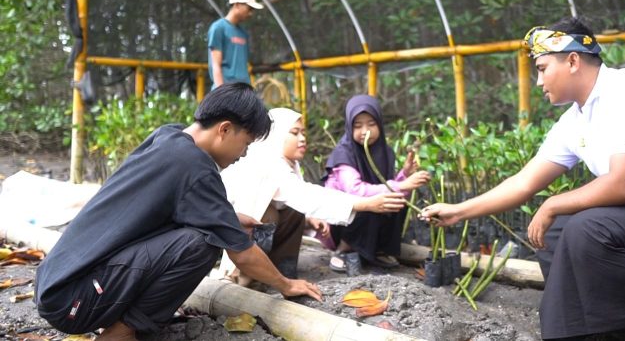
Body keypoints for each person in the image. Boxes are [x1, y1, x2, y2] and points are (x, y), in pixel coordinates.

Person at [420, 18, 625, 341]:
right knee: (555, 233)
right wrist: (458, 211)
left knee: (586, 228)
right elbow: (524, 182)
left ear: (573, 61)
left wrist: (553, 203)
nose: (539, 82)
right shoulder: (573, 121)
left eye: (543, 68)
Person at [34, 83, 321, 341]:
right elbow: (242, 253)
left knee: (205, 233)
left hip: (56, 286)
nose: (243, 153)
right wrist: (286, 284)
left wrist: (228, 217)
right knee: (203, 244)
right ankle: (122, 332)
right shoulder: (195, 168)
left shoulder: (168, 137)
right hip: (75, 302)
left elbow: (160, 206)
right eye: (245, 143)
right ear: (224, 129)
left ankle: (124, 321)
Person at [216, 107, 407, 283]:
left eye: (303, 133)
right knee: (268, 216)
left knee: (294, 212)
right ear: (276, 135)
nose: (302, 139)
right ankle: (245, 277)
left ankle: (281, 271)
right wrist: (365, 204)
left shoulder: (288, 163)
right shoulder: (266, 162)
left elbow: (296, 196)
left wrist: (309, 219)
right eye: (294, 133)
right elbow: (303, 194)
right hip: (224, 235)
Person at [324, 95, 431, 272]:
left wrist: (405, 175)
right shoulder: (343, 154)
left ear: (380, 124)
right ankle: (343, 249)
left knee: (396, 202)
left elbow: (388, 187)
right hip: (341, 221)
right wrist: (402, 185)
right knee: (368, 203)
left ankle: (379, 249)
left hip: (370, 212)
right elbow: (356, 191)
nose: (365, 131)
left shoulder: (385, 152)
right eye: (358, 126)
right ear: (349, 127)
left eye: (371, 124)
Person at [208, 0, 263, 89]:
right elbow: (216, 65)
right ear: (237, 5)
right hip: (226, 90)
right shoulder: (218, 28)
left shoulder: (243, 33)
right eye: (249, 8)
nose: (251, 13)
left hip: (243, 90)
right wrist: (221, 92)